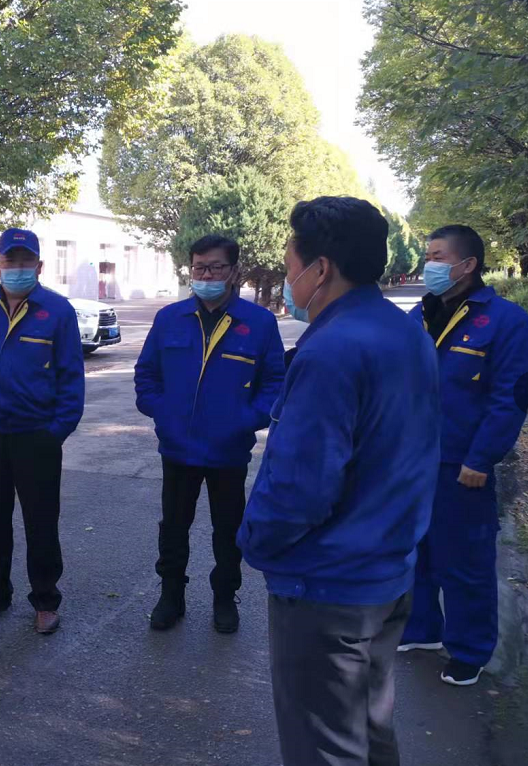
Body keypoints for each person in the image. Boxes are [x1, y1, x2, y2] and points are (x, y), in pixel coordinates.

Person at [237, 197, 440, 766]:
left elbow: (301, 487)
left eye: (289, 265)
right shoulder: (405, 332)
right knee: (369, 729)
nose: (287, 280)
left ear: (320, 268)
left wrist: (254, 541)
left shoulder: (332, 349)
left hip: (328, 587)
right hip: (387, 569)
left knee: (325, 747)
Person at [134, 235, 285, 634]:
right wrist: (163, 413)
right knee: (173, 527)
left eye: (216, 267)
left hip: (228, 449)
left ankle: (225, 597)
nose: (206, 276)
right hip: (178, 447)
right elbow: (146, 374)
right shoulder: (170, 318)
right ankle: (171, 595)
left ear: (234, 271)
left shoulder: (259, 323)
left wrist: (245, 420)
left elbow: (274, 383)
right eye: (199, 267)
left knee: (228, 529)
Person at [401, 225, 528, 686]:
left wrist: (481, 458)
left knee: (464, 559)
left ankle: (469, 648)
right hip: (412, 459)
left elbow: (509, 399)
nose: (429, 265)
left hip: (461, 462)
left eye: (437, 257)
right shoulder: (419, 315)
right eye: (427, 256)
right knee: (414, 550)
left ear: (467, 264)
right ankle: (421, 629)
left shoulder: (506, 321)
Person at [0, 228, 85, 634]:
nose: (17, 267)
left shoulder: (57, 311)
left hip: (36, 435)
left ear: (39, 266)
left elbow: (71, 378)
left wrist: (56, 431)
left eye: (26, 260)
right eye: (10, 260)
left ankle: (45, 600)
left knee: (40, 521)